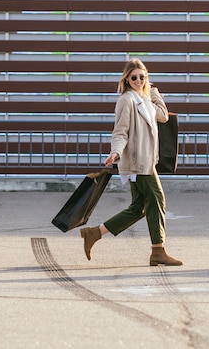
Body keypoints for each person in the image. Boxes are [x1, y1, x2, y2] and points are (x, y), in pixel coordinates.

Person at [79, 58, 183, 266]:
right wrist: (115, 152)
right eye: (134, 77)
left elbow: (162, 116)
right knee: (157, 200)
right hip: (137, 163)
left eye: (142, 77)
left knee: (139, 207)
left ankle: (94, 233)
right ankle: (158, 251)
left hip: (146, 161)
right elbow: (120, 132)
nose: (138, 80)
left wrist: (153, 92)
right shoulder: (126, 100)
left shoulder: (145, 100)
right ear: (126, 79)